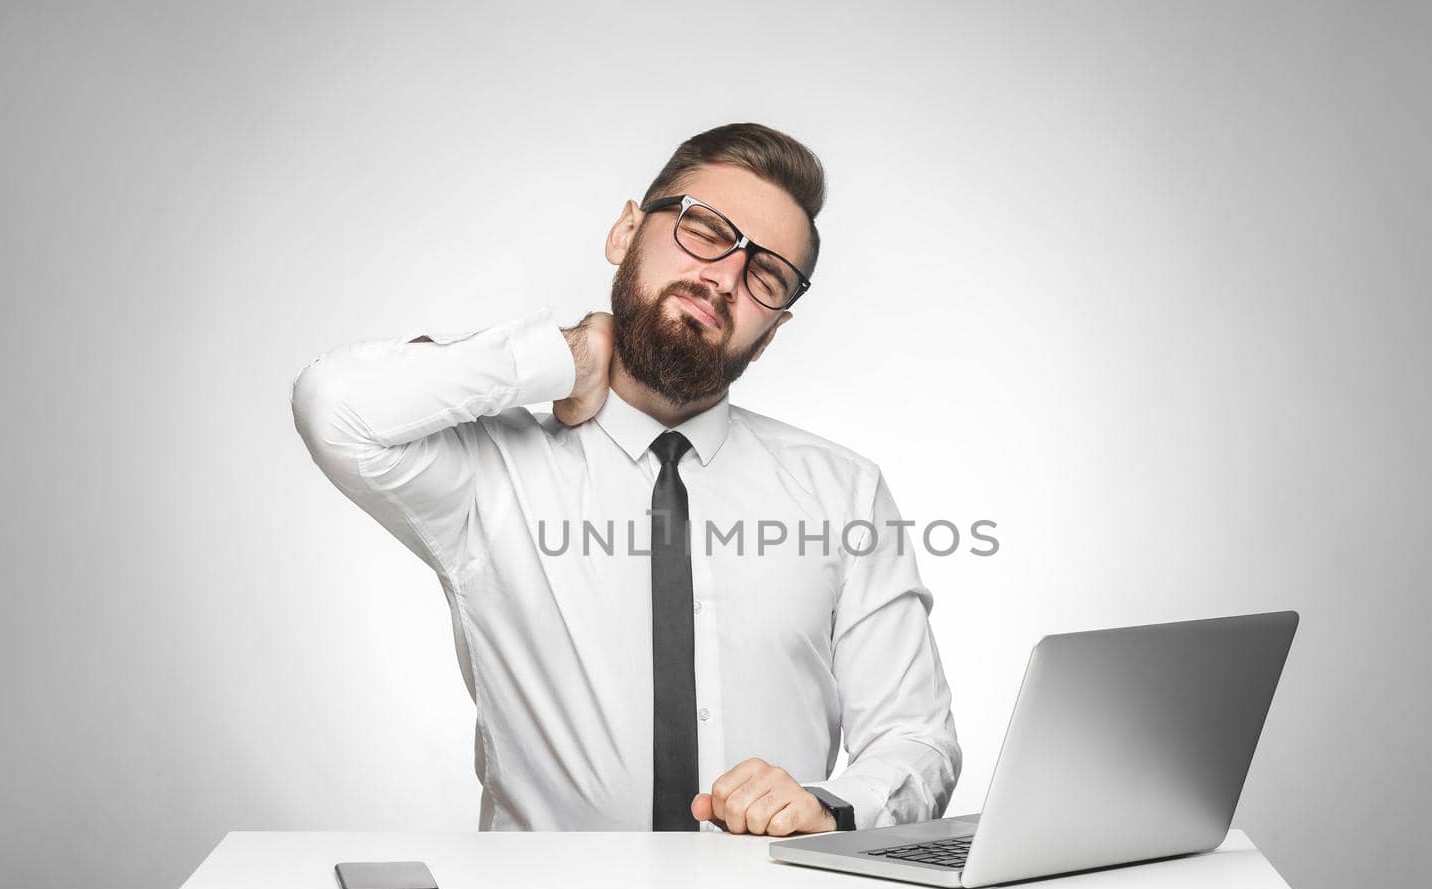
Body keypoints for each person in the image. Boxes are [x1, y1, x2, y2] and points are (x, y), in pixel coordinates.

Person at [291, 122, 961, 835]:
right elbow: (334, 406)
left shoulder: (844, 493)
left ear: (771, 333)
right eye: (705, 229)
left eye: (765, 275)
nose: (724, 279)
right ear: (626, 233)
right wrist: (561, 357)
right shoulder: (489, 475)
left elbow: (917, 739)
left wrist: (825, 805)